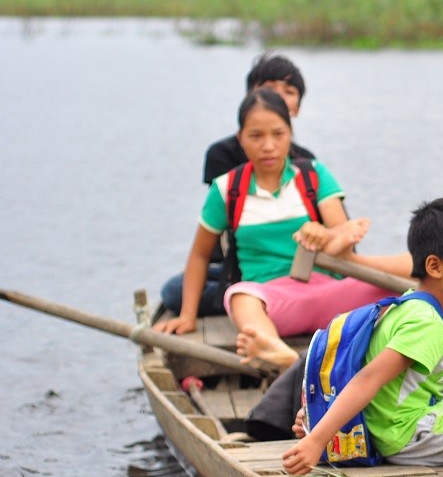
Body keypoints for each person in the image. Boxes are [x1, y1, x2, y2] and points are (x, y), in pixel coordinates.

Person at [153, 88, 411, 368]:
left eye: (278, 134)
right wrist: (188, 315)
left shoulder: (313, 175)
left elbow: (343, 243)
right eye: (256, 136)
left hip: (328, 293)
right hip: (271, 301)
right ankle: (276, 351)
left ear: (290, 133)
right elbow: (200, 254)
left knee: (405, 288)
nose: (268, 146)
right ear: (241, 139)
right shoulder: (226, 189)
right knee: (239, 295)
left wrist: (324, 235)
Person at [281, 197, 443, 475]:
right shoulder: (424, 323)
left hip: (415, 416)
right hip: (407, 435)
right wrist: (317, 440)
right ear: (435, 267)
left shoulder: (411, 304)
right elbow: (368, 379)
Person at [160, 52, 319, 316]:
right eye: (270, 88)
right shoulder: (223, 160)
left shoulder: (308, 166)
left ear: (297, 108)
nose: (278, 96)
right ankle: (241, 298)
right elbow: (217, 233)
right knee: (175, 290)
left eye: (288, 91)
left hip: (295, 265)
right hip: (242, 262)